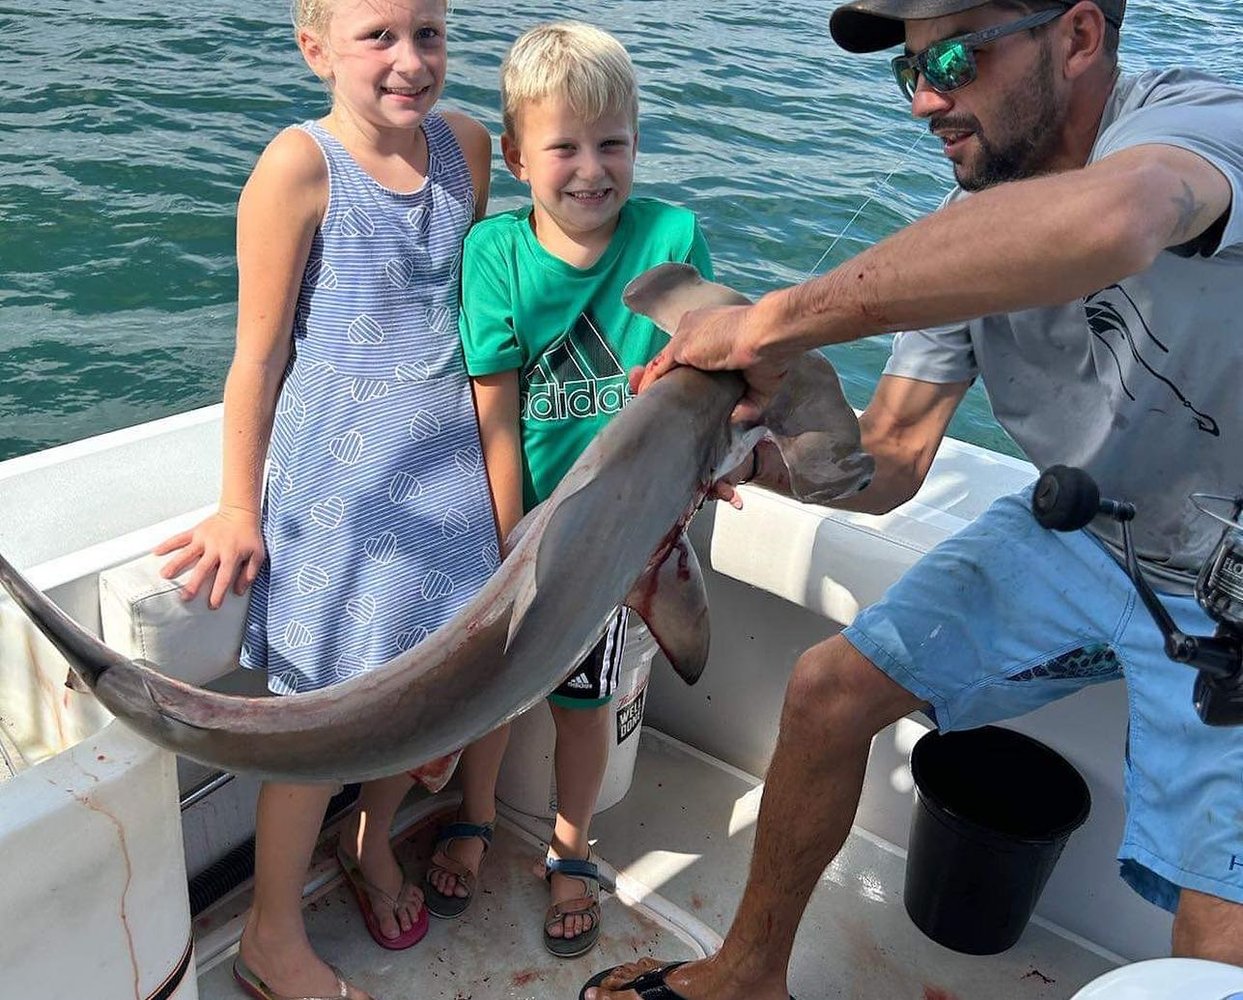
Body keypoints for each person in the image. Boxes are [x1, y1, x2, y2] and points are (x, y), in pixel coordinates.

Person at [584, 0, 1243, 997]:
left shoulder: (1195, 124)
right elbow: (887, 461)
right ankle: (747, 975)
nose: (924, 99)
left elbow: (1121, 214)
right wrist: (747, 459)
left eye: (951, 57)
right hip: (1079, 531)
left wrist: (771, 323)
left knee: (1221, 911)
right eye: (906, 73)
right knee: (823, 692)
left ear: (1076, 37)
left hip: (1233, 577)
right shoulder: (960, 240)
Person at [153, 1, 498, 997]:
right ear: (316, 51)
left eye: (427, 34)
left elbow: (472, 314)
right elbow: (256, 358)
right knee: (317, 724)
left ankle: (373, 840)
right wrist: (236, 505)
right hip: (342, 494)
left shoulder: (468, 145)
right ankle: (270, 934)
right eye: (377, 37)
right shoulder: (297, 167)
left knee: (430, 698)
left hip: (449, 482)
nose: (409, 60)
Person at [423, 21, 713, 958]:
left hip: (627, 537)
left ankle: (570, 844)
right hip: (523, 526)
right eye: (564, 147)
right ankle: (473, 814)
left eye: (613, 144)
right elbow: (495, 416)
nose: (591, 170)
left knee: (584, 705)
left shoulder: (670, 236)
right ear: (513, 157)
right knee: (492, 699)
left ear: (636, 142)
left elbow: (699, 385)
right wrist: (508, 546)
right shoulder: (495, 256)